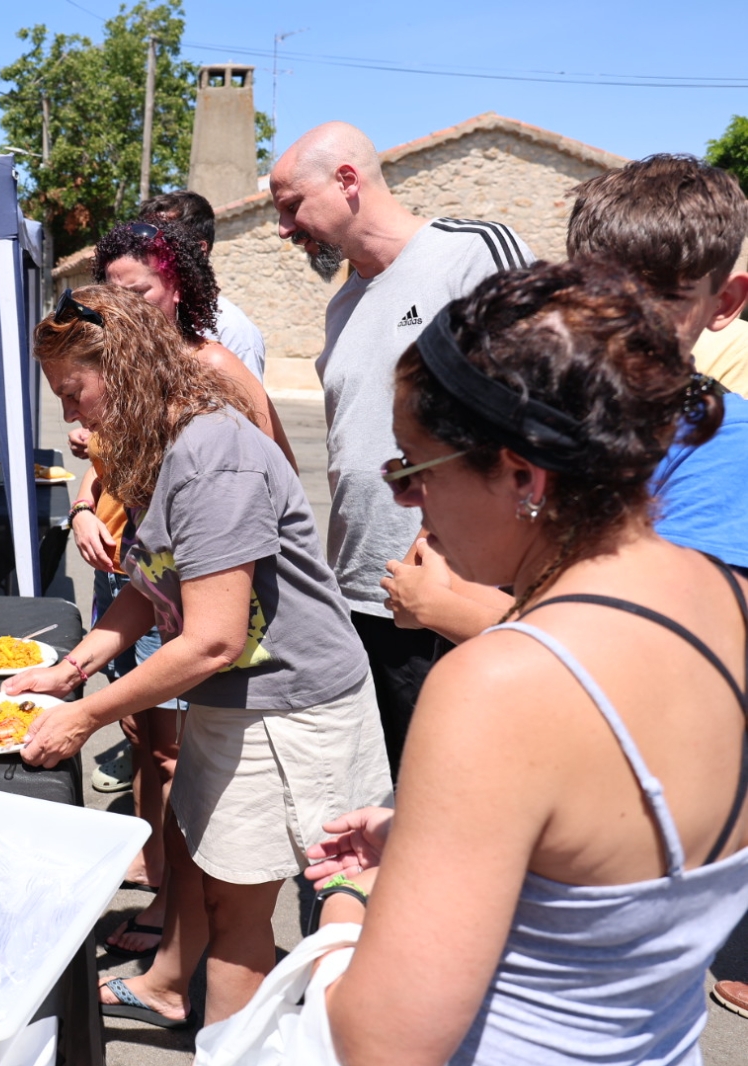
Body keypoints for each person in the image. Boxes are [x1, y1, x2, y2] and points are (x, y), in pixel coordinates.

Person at [300, 259, 748, 1066]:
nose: (407, 503)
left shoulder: (501, 685)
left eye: (411, 471)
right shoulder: (727, 598)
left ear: (523, 476)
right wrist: (427, 838)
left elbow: (379, 1043)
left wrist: (350, 902)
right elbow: (613, 870)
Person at [11, 285, 389, 1029]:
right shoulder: (158, 444)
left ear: (121, 367)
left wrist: (83, 717)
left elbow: (211, 637)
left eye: (73, 391)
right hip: (238, 703)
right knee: (221, 898)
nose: (69, 414)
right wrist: (71, 667)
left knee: (277, 918)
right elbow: (151, 586)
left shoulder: (212, 453)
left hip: (293, 712)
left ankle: (262, 1040)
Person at [382, 154, 748, 642]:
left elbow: (665, 644)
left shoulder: (724, 445)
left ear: (723, 303)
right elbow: (427, 558)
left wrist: (445, 610)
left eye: (661, 298)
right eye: (597, 291)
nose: (621, 320)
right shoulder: (538, 404)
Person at [268, 120, 533, 775]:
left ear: (348, 181)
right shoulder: (343, 305)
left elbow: (539, 405)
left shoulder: (471, 253)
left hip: (459, 593)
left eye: (291, 206)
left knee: (460, 783)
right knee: (392, 783)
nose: (283, 228)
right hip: (365, 591)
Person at [70, 219, 297, 960]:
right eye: (110, 298)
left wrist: (77, 712)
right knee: (156, 748)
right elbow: (127, 491)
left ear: (180, 284)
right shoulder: (135, 381)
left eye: (135, 293)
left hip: (226, 623)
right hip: (161, 590)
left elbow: (271, 485)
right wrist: (83, 503)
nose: (120, 311)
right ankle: (171, 919)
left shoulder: (214, 372)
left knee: (192, 779)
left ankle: (175, 936)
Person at [137, 189, 267, 378]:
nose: (147, 248)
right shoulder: (135, 315)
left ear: (199, 250)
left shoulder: (231, 330)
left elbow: (247, 407)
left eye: (163, 238)